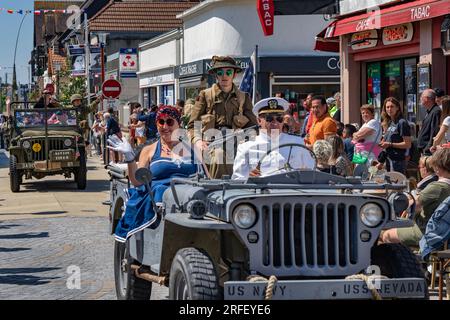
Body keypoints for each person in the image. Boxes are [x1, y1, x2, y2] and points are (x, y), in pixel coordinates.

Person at [106, 106, 198, 242]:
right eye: (161, 122)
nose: (165, 126)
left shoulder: (192, 149)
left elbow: (206, 177)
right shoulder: (149, 150)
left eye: (170, 122)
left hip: (191, 200)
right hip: (160, 201)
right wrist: (130, 158)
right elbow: (137, 181)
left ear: (179, 124)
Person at [188, 55, 258, 179]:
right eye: (220, 72)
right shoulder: (206, 95)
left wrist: (251, 143)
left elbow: (253, 127)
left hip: (237, 142)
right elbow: (193, 125)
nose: (224, 76)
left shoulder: (243, 97)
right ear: (216, 75)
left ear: (234, 75)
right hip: (211, 143)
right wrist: (198, 141)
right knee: (219, 157)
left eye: (228, 72)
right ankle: (219, 193)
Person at [232, 97, 315, 180]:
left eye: (279, 119)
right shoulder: (246, 147)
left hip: (293, 191)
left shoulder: (298, 142)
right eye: (269, 119)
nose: (275, 123)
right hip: (262, 191)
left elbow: (313, 171)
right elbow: (237, 180)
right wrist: (248, 178)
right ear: (259, 121)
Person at [381, 148, 450, 247]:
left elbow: (412, 207)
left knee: (386, 234)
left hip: (427, 231)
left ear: (437, 167)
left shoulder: (437, 187)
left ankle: (401, 261)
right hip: (444, 231)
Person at [376, 97, 412, 174]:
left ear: (397, 108)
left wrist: (390, 144)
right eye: (387, 107)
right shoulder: (390, 123)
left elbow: (407, 144)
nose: (389, 109)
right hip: (388, 160)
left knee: (397, 185)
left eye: (392, 106)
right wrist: (381, 162)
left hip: (398, 162)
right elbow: (386, 146)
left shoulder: (402, 123)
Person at [417, 89, 441, 156]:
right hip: (424, 150)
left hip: (428, 152)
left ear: (427, 98)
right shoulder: (430, 111)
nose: (420, 99)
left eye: (421, 97)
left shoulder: (436, 111)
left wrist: (427, 149)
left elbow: (434, 132)